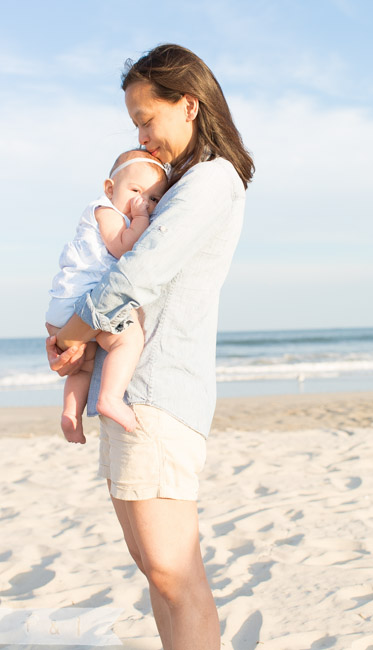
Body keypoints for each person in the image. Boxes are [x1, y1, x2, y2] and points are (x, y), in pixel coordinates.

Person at [46, 43, 254, 650]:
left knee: (173, 572)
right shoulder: (175, 186)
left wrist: (71, 335)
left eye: (146, 119)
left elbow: (136, 277)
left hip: (159, 395)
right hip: (131, 389)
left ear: (188, 105)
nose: (141, 136)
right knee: (158, 573)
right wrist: (74, 340)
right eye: (135, 123)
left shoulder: (212, 180)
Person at [46, 150, 168, 442]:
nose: (143, 202)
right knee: (129, 340)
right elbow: (123, 247)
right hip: (83, 300)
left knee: (84, 361)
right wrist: (141, 218)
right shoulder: (106, 212)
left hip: (62, 308)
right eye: (136, 191)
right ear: (109, 189)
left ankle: (71, 414)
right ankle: (111, 398)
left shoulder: (113, 211)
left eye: (153, 199)